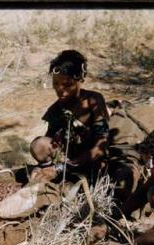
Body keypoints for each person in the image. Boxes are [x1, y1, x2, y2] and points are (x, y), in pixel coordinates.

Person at [29, 50, 110, 185]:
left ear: (80, 80)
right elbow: (49, 141)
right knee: (38, 145)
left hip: (91, 160)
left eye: (67, 84)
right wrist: (44, 167)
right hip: (67, 159)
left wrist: (61, 168)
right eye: (55, 83)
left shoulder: (93, 101)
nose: (60, 89)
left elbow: (101, 147)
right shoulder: (57, 108)